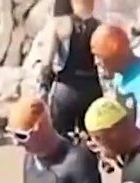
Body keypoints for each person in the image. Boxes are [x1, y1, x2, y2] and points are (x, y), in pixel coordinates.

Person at [38, 0, 103, 137]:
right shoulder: (99, 27)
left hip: (66, 88)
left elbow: (47, 61)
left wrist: (44, 88)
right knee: (93, 137)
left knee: (61, 138)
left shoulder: (61, 24)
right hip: (92, 89)